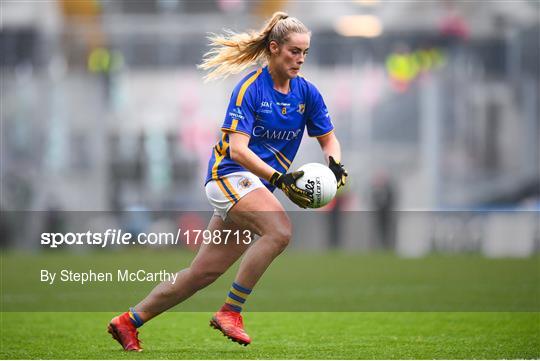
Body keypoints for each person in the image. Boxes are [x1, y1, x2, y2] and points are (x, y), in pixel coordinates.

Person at [107, 12, 348, 351]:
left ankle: (129, 321)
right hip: (228, 176)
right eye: (295, 51)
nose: (300, 59)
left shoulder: (306, 93)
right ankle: (230, 311)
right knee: (279, 230)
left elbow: (328, 139)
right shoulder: (250, 88)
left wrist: (335, 167)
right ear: (275, 48)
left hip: (254, 188)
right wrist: (281, 178)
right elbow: (237, 150)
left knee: (201, 273)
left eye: (305, 52)